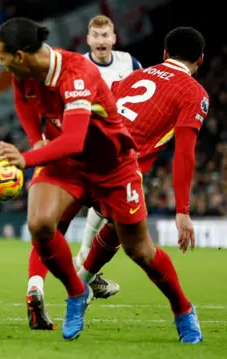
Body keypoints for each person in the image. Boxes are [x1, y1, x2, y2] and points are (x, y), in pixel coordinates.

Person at [0, 18, 201, 343]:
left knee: (140, 251)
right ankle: (78, 292)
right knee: (41, 224)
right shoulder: (24, 72)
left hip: (114, 166)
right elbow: (23, 98)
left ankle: (183, 309)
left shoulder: (77, 73)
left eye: (2, 57)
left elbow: (76, 138)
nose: (0, 63)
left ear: (20, 55)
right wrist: (36, 141)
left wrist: (27, 159)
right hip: (69, 162)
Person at [78, 27, 208, 318]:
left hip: (85, 153)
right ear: (199, 60)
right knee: (140, 247)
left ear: (164, 53)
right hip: (119, 170)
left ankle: (72, 283)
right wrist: (183, 211)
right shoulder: (194, 93)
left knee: (104, 223)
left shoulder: (134, 76)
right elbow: (185, 154)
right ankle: (183, 313)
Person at [75, 14, 143, 269]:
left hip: (120, 146)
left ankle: (85, 262)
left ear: (114, 38)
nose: (101, 40)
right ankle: (82, 262)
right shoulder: (80, 66)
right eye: (96, 35)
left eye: (105, 35)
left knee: (107, 206)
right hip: (85, 144)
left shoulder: (130, 63)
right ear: (88, 39)